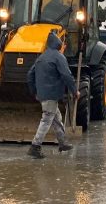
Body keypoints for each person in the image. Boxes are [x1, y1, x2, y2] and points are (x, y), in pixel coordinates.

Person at [26, 31, 79, 159]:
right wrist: (74, 90)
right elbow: (67, 75)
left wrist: (34, 91)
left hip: (43, 94)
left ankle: (63, 143)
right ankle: (35, 146)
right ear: (58, 44)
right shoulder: (59, 57)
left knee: (56, 118)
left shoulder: (41, 57)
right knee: (47, 119)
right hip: (51, 94)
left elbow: (29, 75)